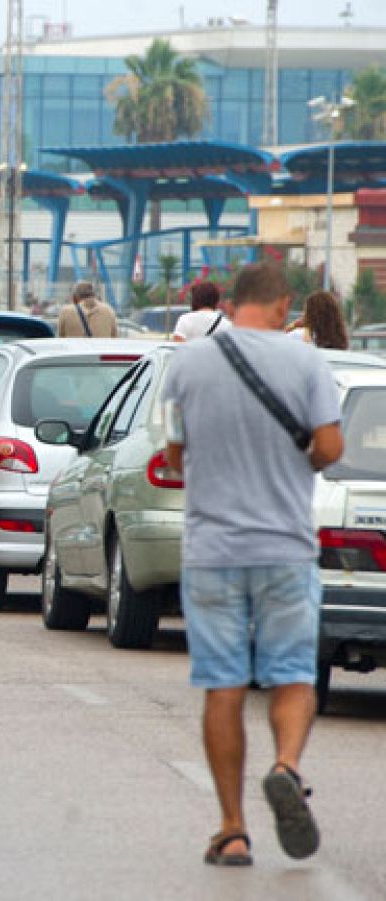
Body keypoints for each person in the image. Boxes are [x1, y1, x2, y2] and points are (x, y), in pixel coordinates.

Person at [162, 262, 344, 867]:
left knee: (223, 685)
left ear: (233, 304)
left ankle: (233, 828)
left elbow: (174, 455)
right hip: (285, 547)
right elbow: (331, 447)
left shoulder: (186, 363)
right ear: (281, 303)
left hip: (213, 551)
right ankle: (287, 767)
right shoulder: (308, 362)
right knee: (292, 675)